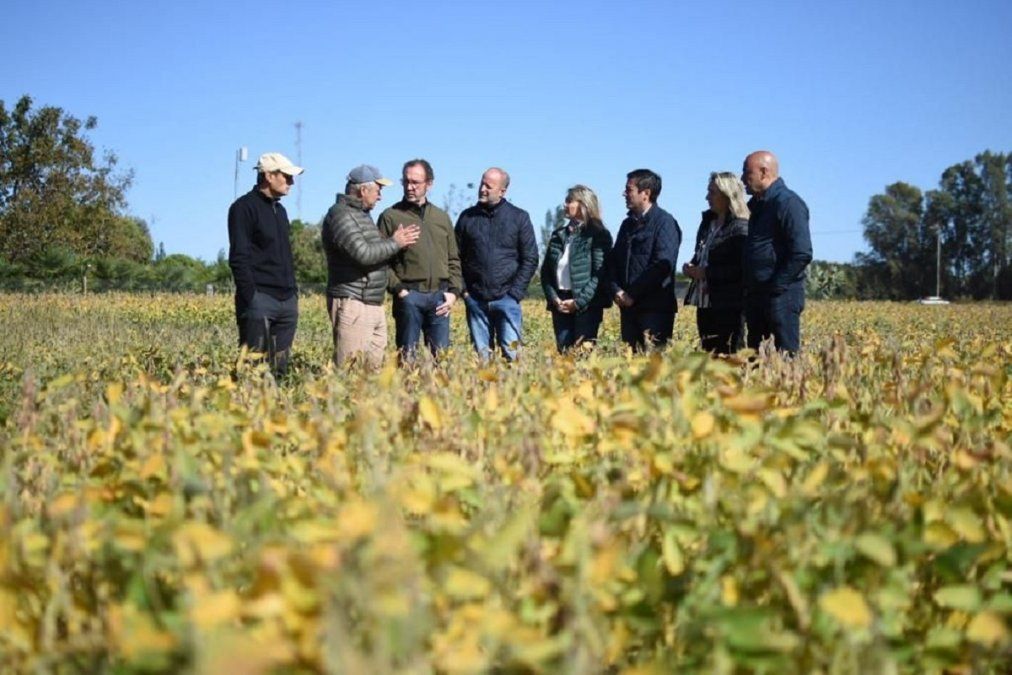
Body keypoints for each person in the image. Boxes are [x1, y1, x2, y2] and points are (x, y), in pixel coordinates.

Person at [322, 165, 420, 367]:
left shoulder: (361, 216)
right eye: (378, 190)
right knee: (351, 370)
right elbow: (363, 254)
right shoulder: (341, 215)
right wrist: (396, 243)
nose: (380, 196)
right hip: (353, 302)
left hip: (371, 302)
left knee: (374, 373)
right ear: (362, 190)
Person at [377, 159, 462, 360]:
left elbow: (454, 259)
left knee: (441, 361)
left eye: (416, 182)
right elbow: (381, 260)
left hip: (440, 299)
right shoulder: (390, 216)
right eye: (406, 181)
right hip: (409, 297)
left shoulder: (441, 217)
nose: (410, 187)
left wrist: (454, 292)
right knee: (407, 360)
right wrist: (400, 290)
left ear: (429, 184)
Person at [227, 152, 303, 376]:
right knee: (252, 369)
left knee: (279, 370)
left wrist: (293, 294)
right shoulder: (243, 208)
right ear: (269, 176)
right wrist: (251, 296)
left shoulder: (281, 211)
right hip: (260, 300)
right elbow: (238, 257)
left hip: (286, 301)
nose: (291, 182)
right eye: (287, 176)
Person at [455, 167, 538, 361]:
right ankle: (485, 392)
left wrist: (515, 293)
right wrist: (465, 292)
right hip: (476, 300)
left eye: (488, 186)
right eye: (481, 183)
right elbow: (454, 257)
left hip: (507, 299)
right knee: (482, 359)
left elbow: (530, 257)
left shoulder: (519, 217)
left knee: (513, 356)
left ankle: (514, 391)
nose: (482, 189)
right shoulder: (467, 218)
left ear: (502, 191)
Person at [740, 151, 813, 354]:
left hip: (780, 298)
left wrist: (775, 287)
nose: (742, 179)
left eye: (747, 172)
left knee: (784, 361)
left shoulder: (788, 203)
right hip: (757, 297)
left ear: (764, 172)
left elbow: (801, 252)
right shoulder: (760, 206)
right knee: (756, 361)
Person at [608, 169, 682, 351]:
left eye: (629, 189)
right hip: (628, 309)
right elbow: (614, 260)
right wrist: (616, 290)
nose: (624, 194)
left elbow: (662, 265)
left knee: (653, 368)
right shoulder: (627, 225)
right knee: (631, 367)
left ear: (645, 193)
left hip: (655, 310)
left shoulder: (665, 223)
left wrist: (632, 294)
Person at [682, 172, 750, 354]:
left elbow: (740, 269)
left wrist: (706, 273)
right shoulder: (708, 224)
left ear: (727, 195)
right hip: (705, 303)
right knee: (708, 355)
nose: (707, 197)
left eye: (712, 193)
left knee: (729, 353)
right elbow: (702, 255)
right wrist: (691, 267)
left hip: (728, 304)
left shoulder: (741, 227)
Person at [540, 185, 613, 352]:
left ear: (583, 204)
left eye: (569, 201)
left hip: (586, 306)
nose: (565, 205)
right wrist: (553, 297)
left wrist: (578, 302)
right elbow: (546, 272)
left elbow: (599, 274)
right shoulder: (558, 234)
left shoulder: (598, 234)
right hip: (561, 302)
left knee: (583, 354)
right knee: (564, 354)